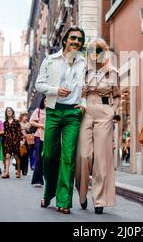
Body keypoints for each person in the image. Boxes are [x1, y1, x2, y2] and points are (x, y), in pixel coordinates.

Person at [35, 26, 86, 214]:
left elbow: (87, 86)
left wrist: (84, 102)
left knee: (68, 157)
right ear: (65, 40)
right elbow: (39, 84)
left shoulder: (84, 62)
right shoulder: (51, 60)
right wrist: (55, 90)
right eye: (72, 38)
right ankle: (49, 192)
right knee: (48, 155)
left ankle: (64, 200)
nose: (75, 41)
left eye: (79, 39)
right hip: (54, 112)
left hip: (73, 113)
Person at [75, 38, 121, 214]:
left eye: (99, 50)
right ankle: (82, 193)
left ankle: (100, 200)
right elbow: (74, 93)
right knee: (84, 156)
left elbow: (116, 96)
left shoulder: (113, 72)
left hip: (104, 113)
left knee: (101, 158)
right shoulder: (82, 72)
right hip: (84, 112)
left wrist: (112, 111)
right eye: (92, 50)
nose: (95, 53)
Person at [2, 107, 23, 179]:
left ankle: (19, 171)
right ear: (6, 113)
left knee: (17, 157)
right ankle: (7, 172)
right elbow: (3, 132)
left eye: (10, 111)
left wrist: (21, 140)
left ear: (13, 112)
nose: (9, 112)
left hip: (15, 141)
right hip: (7, 141)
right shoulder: (4, 123)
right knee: (7, 156)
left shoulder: (16, 122)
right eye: (7, 111)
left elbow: (19, 131)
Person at [30, 96, 47, 187]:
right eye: (45, 101)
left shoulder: (54, 111)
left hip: (51, 137)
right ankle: (38, 180)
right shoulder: (38, 110)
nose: (47, 102)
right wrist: (41, 125)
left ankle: (49, 179)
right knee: (39, 158)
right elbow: (31, 121)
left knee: (49, 158)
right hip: (39, 136)